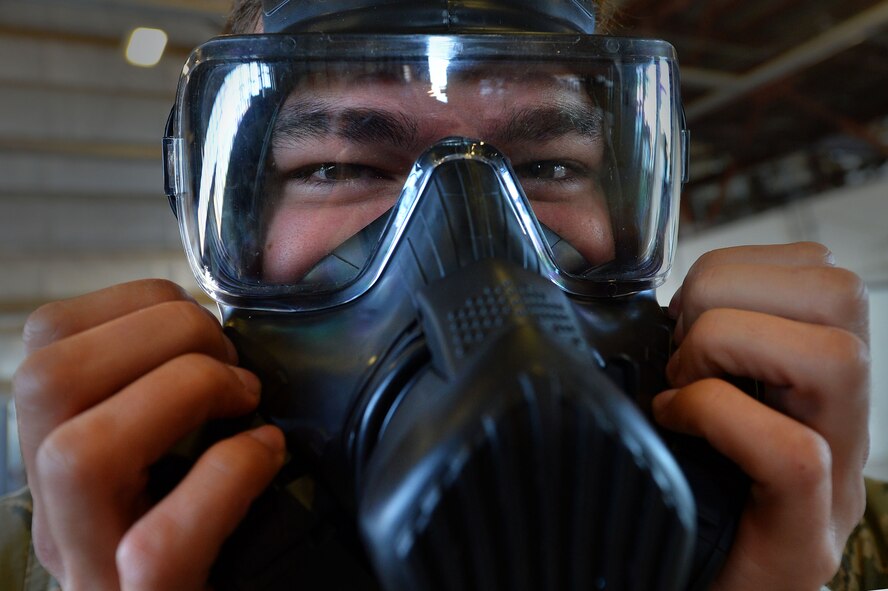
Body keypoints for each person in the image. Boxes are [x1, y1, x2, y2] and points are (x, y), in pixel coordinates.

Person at [0, 0, 881, 589]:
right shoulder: (67, 546)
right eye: (340, 165)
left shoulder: (822, 528)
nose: (472, 247)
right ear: (242, 229)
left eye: (546, 166)